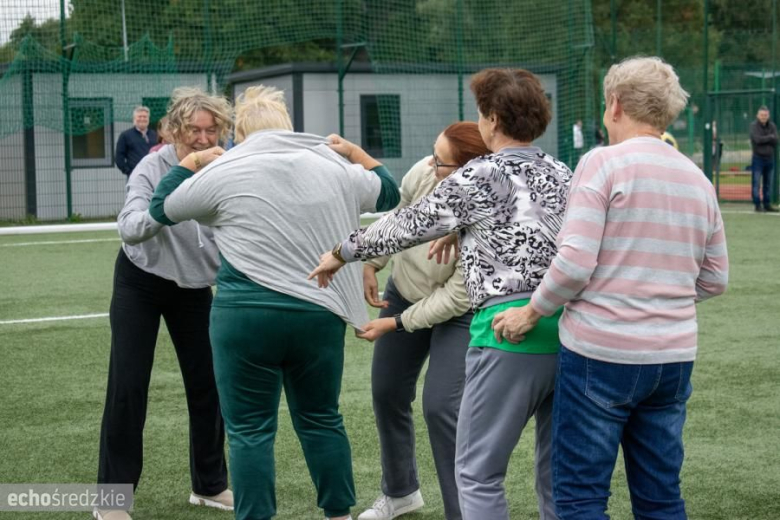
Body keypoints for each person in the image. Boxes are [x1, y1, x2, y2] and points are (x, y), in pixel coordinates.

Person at [310, 68, 573, 520]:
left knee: (477, 474)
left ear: (491, 119)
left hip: (506, 335)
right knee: (555, 480)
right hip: (567, 332)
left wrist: (342, 252)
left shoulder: (481, 174)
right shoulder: (562, 170)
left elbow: (407, 224)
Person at [147, 85, 400, 520]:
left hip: (244, 316)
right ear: (289, 127)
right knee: (322, 418)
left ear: (240, 132)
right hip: (318, 312)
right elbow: (389, 192)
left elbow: (160, 208)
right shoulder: (333, 167)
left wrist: (190, 161)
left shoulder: (224, 170)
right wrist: (355, 150)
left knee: (249, 431)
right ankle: (339, 514)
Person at [493, 56, 729, 519]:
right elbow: (716, 278)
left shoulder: (603, 163)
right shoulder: (698, 179)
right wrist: (660, 294)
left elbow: (575, 263)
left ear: (615, 105)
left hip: (601, 354)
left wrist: (531, 311)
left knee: (581, 496)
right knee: (661, 495)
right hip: (673, 357)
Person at [95, 88, 234, 520]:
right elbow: (132, 227)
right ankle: (112, 500)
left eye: (212, 130)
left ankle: (209, 485)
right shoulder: (149, 168)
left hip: (194, 287)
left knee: (209, 383)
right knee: (129, 384)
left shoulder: (230, 167)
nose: (202, 137)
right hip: (141, 279)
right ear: (173, 129)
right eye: (193, 129)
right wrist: (179, 185)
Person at [357, 122, 489, 520]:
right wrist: (373, 261)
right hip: (403, 290)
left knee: (441, 406)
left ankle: (462, 512)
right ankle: (400, 493)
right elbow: (399, 216)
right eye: (433, 154)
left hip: (459, 313)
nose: (431, 165)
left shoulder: (487, 217)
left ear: (469, 169)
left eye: (441, 161)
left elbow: (455, 297)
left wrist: (395, 324)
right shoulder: (424, 171)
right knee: (387, 392)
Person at [749, 106, 779, 212]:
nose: (763, 117)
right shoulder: (754, 126)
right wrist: (769, 138)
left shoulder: (772, 126)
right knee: (756, 182)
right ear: (758, 115)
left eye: (765, 115)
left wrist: (767, 139)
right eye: (762, 115)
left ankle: (767, 204)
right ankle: (757, 204)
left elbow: (776, 139)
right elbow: (757, 140)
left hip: (769, 158)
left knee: (768, 183)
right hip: (758, 158)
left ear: (768, 115)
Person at [116, 106, 157, 178]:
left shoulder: (155, 135)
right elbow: (119, 157)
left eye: (145, 117)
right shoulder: (125, 135)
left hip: (153, 175)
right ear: (134, 119)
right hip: (135, 176)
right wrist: (129, 171)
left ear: (148, 119)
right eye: (139, 116)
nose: (142, 119)